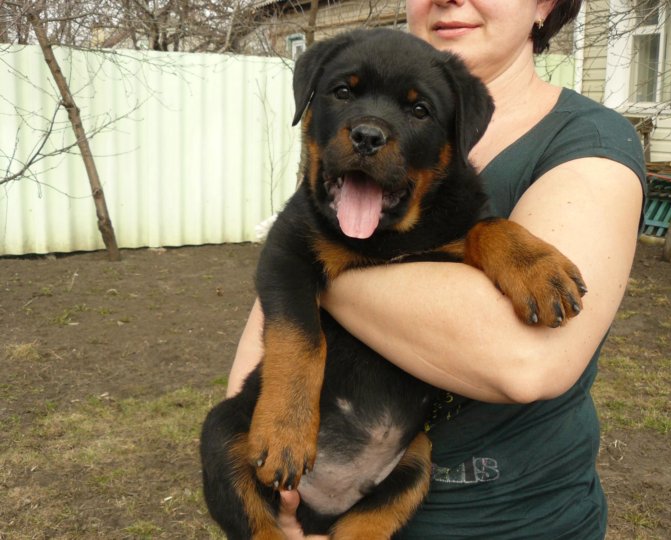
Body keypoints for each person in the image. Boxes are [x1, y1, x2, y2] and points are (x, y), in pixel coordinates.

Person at [225, 0, 646, 537]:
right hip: (302, 482)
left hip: (504, 522)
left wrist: (317, 267)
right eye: (346, 94)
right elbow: (271, 324)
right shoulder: (349, 175)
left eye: (419, 110)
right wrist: (267, 484)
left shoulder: (589, 144)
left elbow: (526, 361)